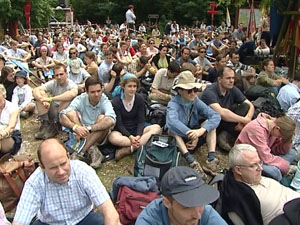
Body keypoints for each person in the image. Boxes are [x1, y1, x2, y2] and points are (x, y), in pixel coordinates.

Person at [12, 138, 120, 225]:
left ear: (68, 157)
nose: (61, 172)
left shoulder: (83, 171)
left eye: (63, 164)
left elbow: (109, 210)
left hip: (84, 219)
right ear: (42, 167)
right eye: (53, 168)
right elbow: (20, 221)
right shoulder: (34, 183)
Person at [222, 144, 300, 225]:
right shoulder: (238, 200)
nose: (261, 168)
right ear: (238, 170)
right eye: (253, 165)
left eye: (260, 162)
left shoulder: (258, 176)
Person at [167, 71, 221, 178]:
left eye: (194, 90)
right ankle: (191, 161)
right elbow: (172, 121)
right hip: (181, 138)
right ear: (180, 91)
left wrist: (201, 131)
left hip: (195, 133)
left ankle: (211, 158)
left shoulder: (195, 101)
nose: (193, 93)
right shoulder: (173, 104)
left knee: (210, 125)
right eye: (189, 91)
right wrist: (191, 134)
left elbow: (215, 116)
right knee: (172, 130)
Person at [136, 166, 227, 225]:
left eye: (200, 201)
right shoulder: (149, 220)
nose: (198, 216)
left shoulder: (206, 213)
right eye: (187, 207)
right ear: (167, 203)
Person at [60, 76, 116, 168]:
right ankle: (94, 151)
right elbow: (63, 115)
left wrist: (89, 129)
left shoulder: (104, 100)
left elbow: (111, 119)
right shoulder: (81, 99)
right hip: (82, 133)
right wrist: (77, 127)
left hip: (99, 135)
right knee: (71, 113)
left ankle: (81, 152)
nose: (97, 94)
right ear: (86, 91)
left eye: (99, 91)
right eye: (93, 92)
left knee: (103, 118)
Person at [108, 74, 161, 160]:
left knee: (157, 128)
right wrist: (130, 137)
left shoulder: (139, 99)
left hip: (137, 129)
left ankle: (130, 148)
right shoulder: (116, 102)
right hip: (122, 131)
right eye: (129, 86)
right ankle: (139, 144)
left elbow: (141, 120)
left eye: (134, 86)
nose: (132, 89)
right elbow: (119, 124)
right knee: (112, 137)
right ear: (123, 86)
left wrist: (138, 135)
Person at [201, 66, 255, 151]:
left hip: (230, 121)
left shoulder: (232, 88)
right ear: (219, 79)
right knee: (222, 116)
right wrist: (245, 121)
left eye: (233, 78)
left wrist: (247, 119)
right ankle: (226, 136)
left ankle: (227, 135)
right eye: (228, 78)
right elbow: (221, 113)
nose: (231, 81)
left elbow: (250, 104)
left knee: (246, 107)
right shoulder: (210, 92)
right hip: (212, 123)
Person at [236, 113, 296, 181]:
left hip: (262, 155)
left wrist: (288, 140)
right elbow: (265, 158)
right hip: (247, 159)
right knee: (275, 172)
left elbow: (277, 148)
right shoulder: (256, 130)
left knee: (292, 153)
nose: (279, 138)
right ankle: (281, 177)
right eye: (280, 136)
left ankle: (280, 170)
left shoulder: (273, 127)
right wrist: (286, 166)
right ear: (277, 128)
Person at [33, 64, 78, 140]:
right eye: (57, 75)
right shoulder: (53, 83)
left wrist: (51, 99)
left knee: (67, 98)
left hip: (64, 112)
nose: (59, 77)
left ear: (66, 74)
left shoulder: (71, 84)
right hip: (53, 109)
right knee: (41, 94)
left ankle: (55, 126)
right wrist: (42, 99)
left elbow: (72, 94)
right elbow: (36, 89)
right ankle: (46, 124)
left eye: (61, 74)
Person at [0, 84, 21, 157]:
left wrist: (2, 134)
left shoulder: (13, 107)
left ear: (3, 94)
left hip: (11, 135)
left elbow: (11, 126)